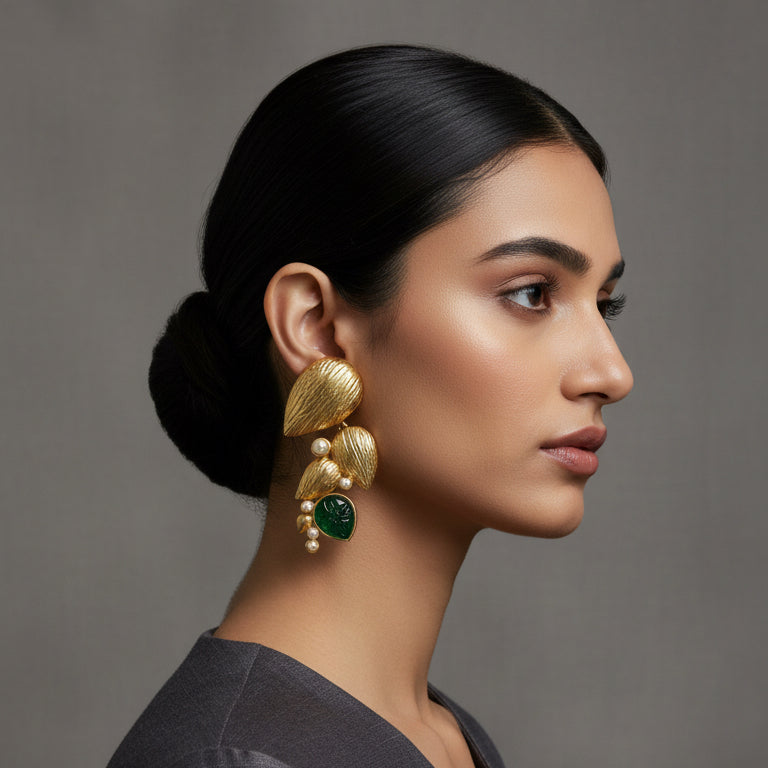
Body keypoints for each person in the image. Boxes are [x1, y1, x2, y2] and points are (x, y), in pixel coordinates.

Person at [107, 44, 633, 768]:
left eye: (607, 304)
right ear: (316, 328)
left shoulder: (444, 736)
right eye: (531, 293)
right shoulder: (240, 759)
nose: (611, 370)